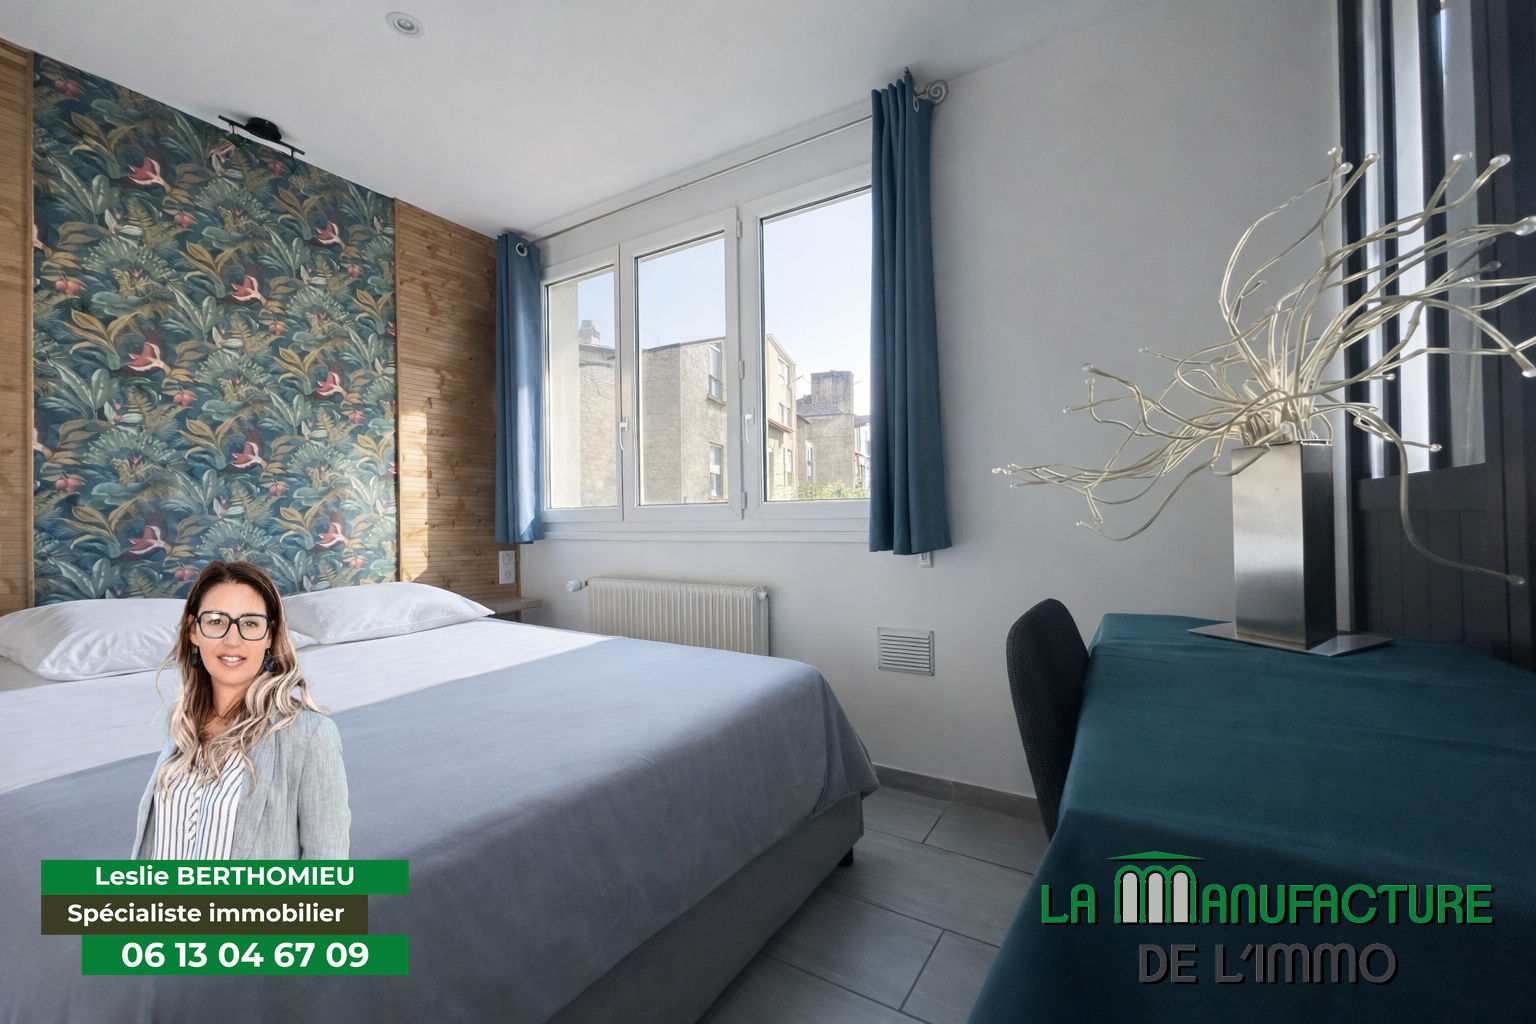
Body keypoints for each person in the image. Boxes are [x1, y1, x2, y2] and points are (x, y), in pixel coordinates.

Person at [132, 561, 349, 859]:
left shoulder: (309, 735)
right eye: (216, 621)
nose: (232, 640)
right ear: (194, 631)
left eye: (250, 623)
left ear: (270, 635)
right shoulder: (179, 720)